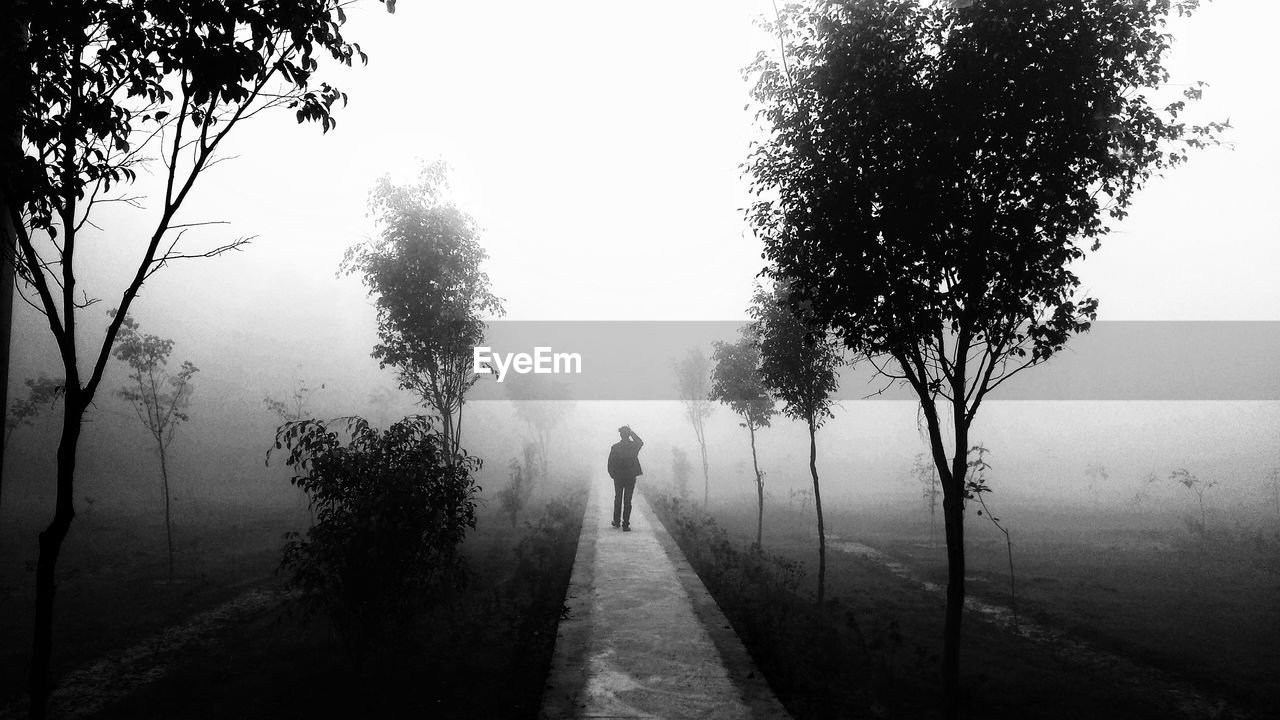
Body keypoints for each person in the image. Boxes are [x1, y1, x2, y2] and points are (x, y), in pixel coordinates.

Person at [607, 425, 644, 531]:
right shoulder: (633, 446)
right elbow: (640, 442)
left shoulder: (615, 447)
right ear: (628, 435)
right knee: (628, 500)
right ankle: (626, 524)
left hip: (618, 477)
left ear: (620, 435)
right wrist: (632, 432)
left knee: (618, 498)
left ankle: (617, 522)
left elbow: (610, 463)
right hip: (630, 476)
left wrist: (612, 474)